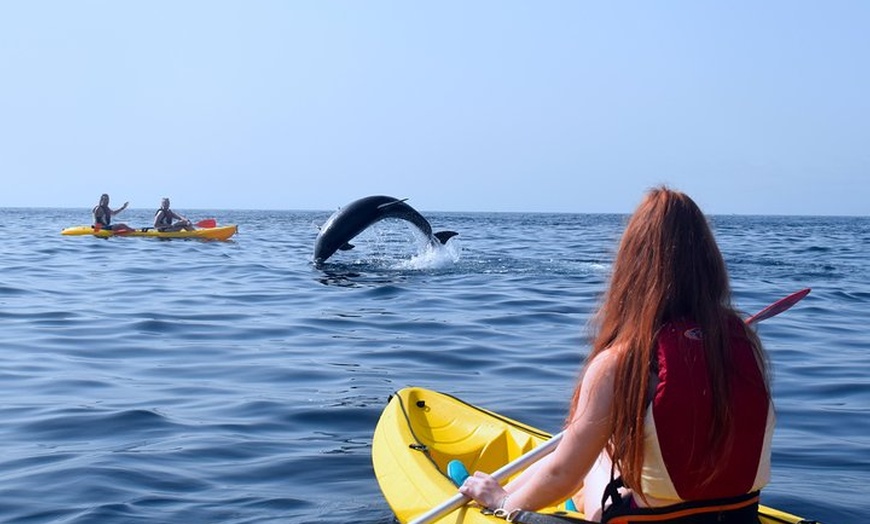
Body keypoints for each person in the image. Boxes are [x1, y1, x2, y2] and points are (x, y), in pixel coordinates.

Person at [458, 186, 774, 523]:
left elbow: (561, 475)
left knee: (597, 455)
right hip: (739, 518)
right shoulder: (746, 345)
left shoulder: (619, 363)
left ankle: (497, 488)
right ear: (711, 264)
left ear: (631, 268)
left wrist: (502, 503)